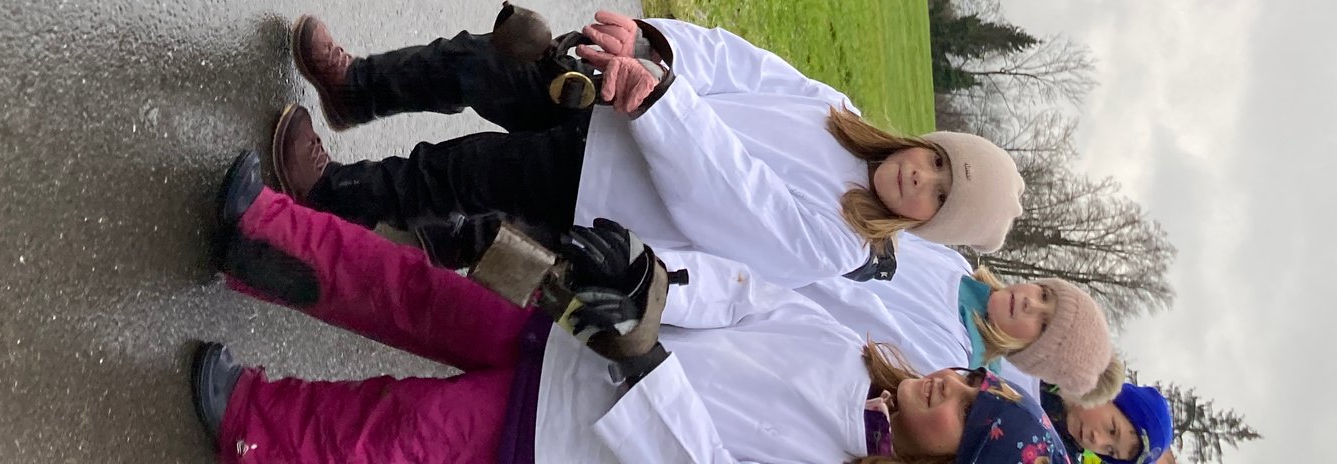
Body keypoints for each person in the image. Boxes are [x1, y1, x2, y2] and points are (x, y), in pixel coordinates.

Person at [193, 146, 1072, 464]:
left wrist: (647, 362)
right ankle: (265, 239)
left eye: (964, 420)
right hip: (571, 330)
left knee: (401, 432)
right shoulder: (857, 361)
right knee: (415, 292)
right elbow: (749, 298)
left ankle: (254, 422)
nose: (950, 390)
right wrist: (650, 281)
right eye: (970, 387)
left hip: (561, 433)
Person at [269, 8, 1023, 291]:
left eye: (936, 196)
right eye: (936, 160)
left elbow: (732, 195)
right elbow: (741, 63)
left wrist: (661, 100)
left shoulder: (835, 244)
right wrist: (655, 51)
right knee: (476, 59)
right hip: (613, 98)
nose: (920, 176)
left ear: (925, 224)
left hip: (603, 179)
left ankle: (329, 197)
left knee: (454, 173)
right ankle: (357, 88)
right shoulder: (840, 114)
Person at [800, 234, 1123, 408]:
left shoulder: (949, 358)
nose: (1031, 302)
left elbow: (848, 312)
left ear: (1030, 354)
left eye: (1043, 324)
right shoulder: (956, 265)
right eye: (1044, 294)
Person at [1042, 382, 1173, 464]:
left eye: (1110, 451)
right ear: (1109, 395)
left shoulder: (1054, 457)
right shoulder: (1052, 361)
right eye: (1112, 430)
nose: (1097, 441)